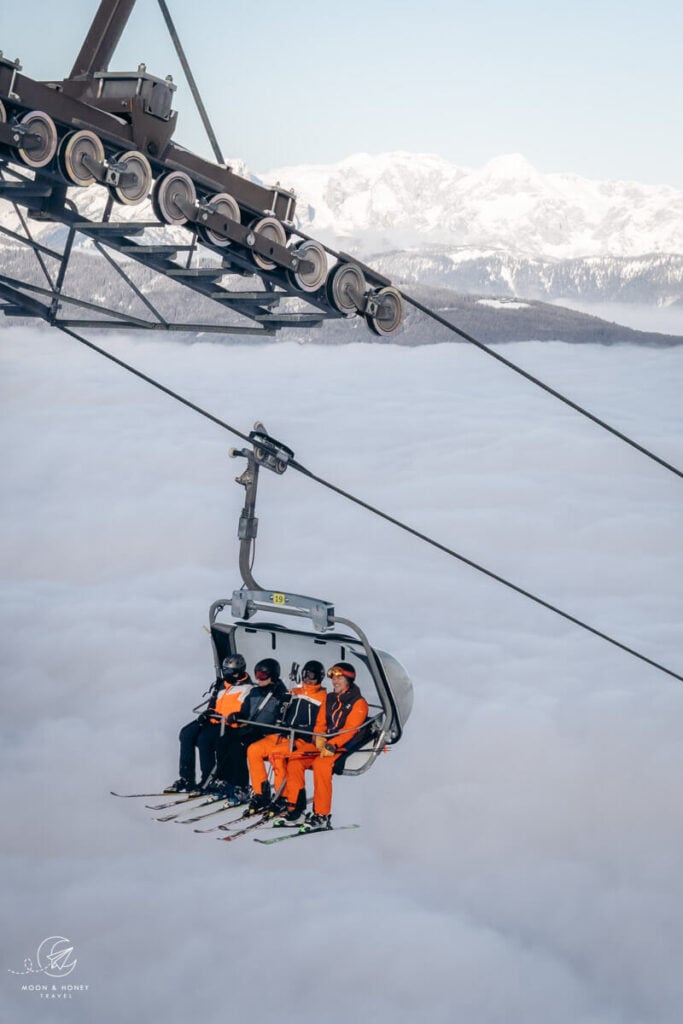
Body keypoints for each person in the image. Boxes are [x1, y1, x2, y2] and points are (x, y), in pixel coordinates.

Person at [277, 662, 368, 830]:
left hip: (341, 746)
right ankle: (296, 809)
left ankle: (322, 815)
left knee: (321, 766)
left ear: (348, 679)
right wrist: (318, 737)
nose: (335, 681)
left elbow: (351, 730)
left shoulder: (358, 702)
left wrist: (332, 744)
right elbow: (320, 722)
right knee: (295, 761)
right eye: (333, 678)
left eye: (339, 678)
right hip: (325, 742)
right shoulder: (330, 698)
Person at [245, 660, 327, 816]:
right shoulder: (294, 692)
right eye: (305, 675)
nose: (307, 679)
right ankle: (261, 794)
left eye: (311, 676)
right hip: (283, 734)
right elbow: (280, 709)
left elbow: (321, 724)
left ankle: (283, 797)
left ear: (320, 677)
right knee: (254, 750)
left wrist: (304, 732)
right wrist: (282, 706)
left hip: (301, 739)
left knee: (277, 755)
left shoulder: (323, 698)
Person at [164, 654, 251, 794]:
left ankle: (208, 779)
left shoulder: (248, 688)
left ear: (239, 671)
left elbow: (246, 710)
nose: (228, 675)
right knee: (186, 734)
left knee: (204, 739)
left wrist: (235, 717)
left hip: (227, 724)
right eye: (225, 671)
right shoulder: (222, 685)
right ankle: (186, 778)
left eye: (231, 672)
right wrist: (209, 711)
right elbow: (214, 702)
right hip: (213, 718)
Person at [213, 657, 288, 804]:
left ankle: (242, 787)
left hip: (265, 732)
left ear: (273, 675)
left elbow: (282, 715)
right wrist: (237, 715)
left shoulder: (280, 694)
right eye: (257, 675)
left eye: (262, 675)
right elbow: (245, 711)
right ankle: (225, 780)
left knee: (238, 747)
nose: (258, 679)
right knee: (222, 741)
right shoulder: (254, 692)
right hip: (250, 728)